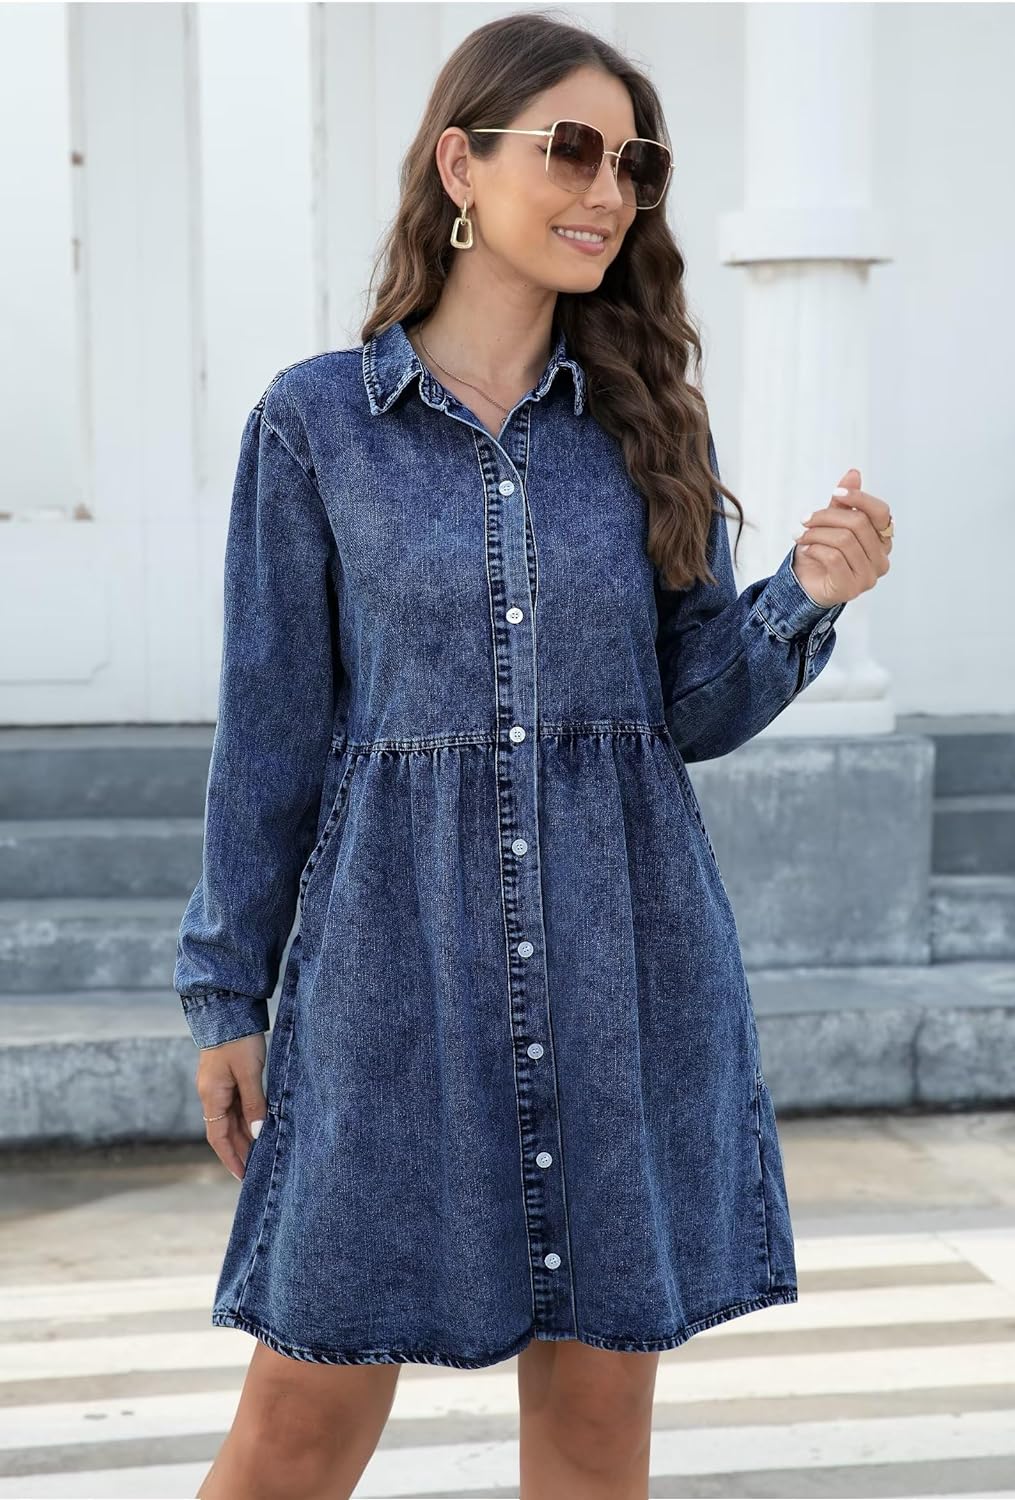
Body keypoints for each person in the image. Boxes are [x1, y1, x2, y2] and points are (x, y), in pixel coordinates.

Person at [174, 12, 894, 1499]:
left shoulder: (646, 425)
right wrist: (226, 991)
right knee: (296, 1429)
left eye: (635, 164)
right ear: (461, 164)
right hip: (392, 980)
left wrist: (803, 601)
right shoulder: (317, 426)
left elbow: (689, 710)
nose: (607, 190)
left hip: (621, 969)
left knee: (594, 1430)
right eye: (572, 150)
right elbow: (269, 732)